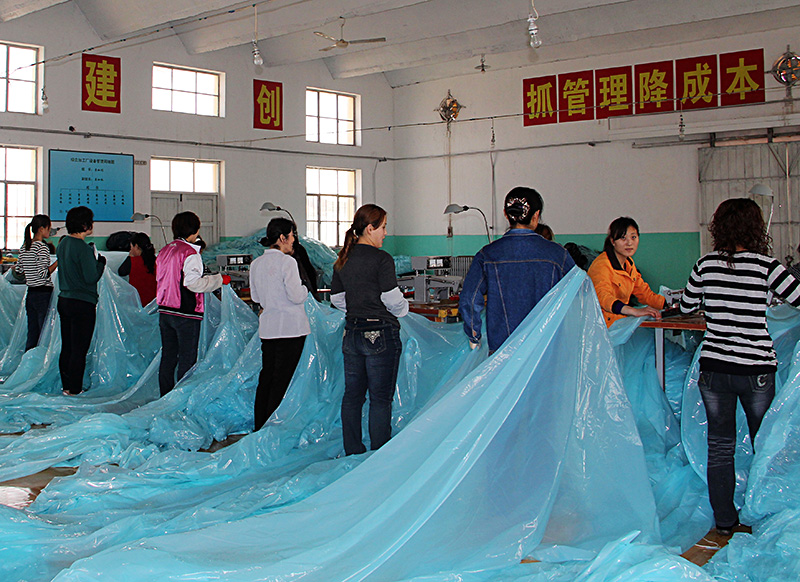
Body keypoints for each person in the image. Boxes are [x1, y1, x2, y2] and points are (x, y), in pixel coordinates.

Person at [680, 198, 800, 536]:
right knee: (766, 443)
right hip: (756, 369)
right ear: (755, 228)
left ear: (719, 228)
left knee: (720, 446)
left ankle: (724, 521)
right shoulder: (766, 266)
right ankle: (765, 514)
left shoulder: (705, 265)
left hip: (715, 368)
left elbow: (687, 306)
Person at [330, 204, 409, 455]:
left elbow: (337, 299)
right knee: (380, 399)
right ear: (370, 228)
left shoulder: (343, 259)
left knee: (352, 397)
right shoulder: (381, 259)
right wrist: (403, 309)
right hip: (380, 334)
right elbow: (391, 298)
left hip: (352, 333)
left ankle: (353, 450)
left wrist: (359, 306)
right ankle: (379, 454)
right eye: (383, 227)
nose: (385, 233)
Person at [460, 187, 575, 354]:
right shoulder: (558, 255)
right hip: (546, 348)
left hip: (502, 350)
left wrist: (473, 335)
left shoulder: (488, 255)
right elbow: (579, 292)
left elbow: (469, 298)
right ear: (536, 215)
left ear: (506, 215)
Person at [155, 211, 229, 397]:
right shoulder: (190, 253)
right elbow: (193, 283)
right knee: (187, 359)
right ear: (195, 230)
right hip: (185, 313)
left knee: (168, 357)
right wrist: (218, 280)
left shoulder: (165, 250)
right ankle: (181, 399)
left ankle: (165, 397)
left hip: (165, 311)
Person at [250, 218, 310, 430]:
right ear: (283, 238)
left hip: (268, 330)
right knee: (283, 381)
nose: (294, 240)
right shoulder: (288, 263)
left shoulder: (256, 264)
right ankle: (274, 429)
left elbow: (256, 298)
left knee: (267, 378)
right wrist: (305, 288)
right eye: (292, 236)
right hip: (291, 330)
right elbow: (296, 296)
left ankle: (260, 425)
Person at [56, 206, 106, 395]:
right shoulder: (83, 249)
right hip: (82, 303)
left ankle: (67, 386)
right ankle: (75, 390)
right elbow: (90, 278)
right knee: (79, 349)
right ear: (85, 225)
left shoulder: (63, 244)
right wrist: (100, 264)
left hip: (64, 300)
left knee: (67, 347)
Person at [587, 216, 665, 327]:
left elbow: (644, 293)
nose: (629, 243)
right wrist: (633, 311)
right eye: (623, 238)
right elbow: (603, 298)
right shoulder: (602, 265)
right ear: (613, 241)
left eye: (633, 237)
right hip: (602, 326)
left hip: (619, 321)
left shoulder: (629, 264)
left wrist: (668, 304)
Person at [14, 214, 58, 350]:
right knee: (44, 333)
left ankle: (29, 358)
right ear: (41, 229)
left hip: (31, 294)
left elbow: (19, 270)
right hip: (43, 294)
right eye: (48, 228)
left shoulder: (24, 247)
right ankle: (41, 359)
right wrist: (58, 262)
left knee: (32, 332)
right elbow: (44, 273)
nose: (49, 231)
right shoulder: (42, 248)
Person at [118, 232, 157, 306]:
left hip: (137, 303)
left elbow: (121, 272)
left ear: (136, 246)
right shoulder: (156, 260)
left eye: (131, 247)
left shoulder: (132, 261)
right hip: (154, 303)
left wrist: (130, 256)